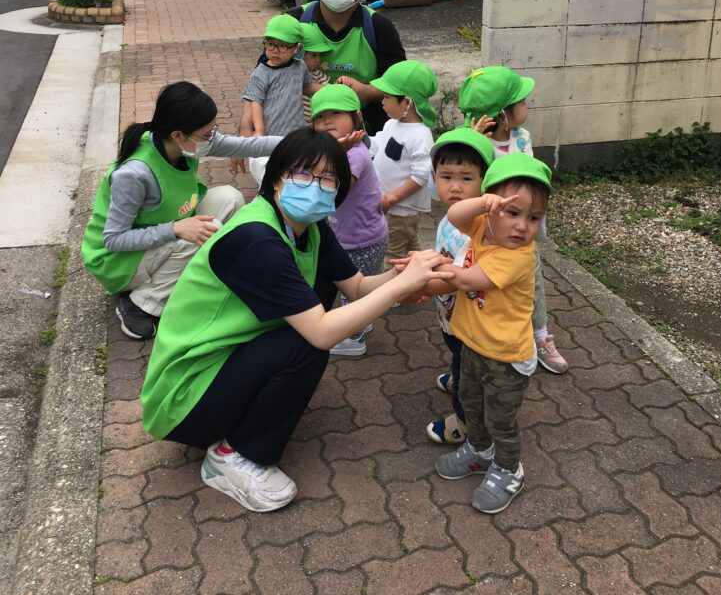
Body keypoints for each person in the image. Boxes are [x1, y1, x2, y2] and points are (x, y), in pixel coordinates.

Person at [140, 128, 449, 513]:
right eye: (303, 173)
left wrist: (404, 275)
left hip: (224, 360)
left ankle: (250, 410)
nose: (315, 186)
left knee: (321, 289)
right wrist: (401, 285)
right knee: (306, 345)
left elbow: (356, 287)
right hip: (184, 397)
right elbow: (320, 333)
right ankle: (232, 456)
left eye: (328, 179)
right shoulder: (257, 239)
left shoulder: (310, 226)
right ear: (277, 178)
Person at [81, 82, 284, 341]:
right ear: (178, 134)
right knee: (205, 233)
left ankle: (187, 273)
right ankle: (140, 303)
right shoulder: (134, 175)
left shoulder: (180, 143)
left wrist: (304, 143)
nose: (213, 138)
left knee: (230, 199)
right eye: (207, 133)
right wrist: (175, 229)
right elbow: (113, 239)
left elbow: (248, 146)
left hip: (159, 232)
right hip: (116, 262)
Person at [433, 154, 553, 515]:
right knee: (471, 403)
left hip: (507, 359)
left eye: (533, 218)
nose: (522, 227)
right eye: (512, 213)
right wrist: (483, 203)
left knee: (500, 420)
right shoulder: (483, 226)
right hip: (473, 345)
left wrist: (430, 269)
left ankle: (508, 469)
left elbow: (468, 279)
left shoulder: (518, 256)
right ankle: (479, 451)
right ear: (492, 208)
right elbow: (455, 216)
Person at [458, 66, 568, 375]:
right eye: (522, 101)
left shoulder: (522, 138)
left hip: (521, 233)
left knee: (533, 283)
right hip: (488, 234)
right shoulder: (475, 144)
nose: (527, 106)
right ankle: (475, 342)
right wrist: (473, 143)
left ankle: (540, 336)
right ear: (503, 114)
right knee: (484, 288)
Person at [423, 126, 496, 446]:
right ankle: (458, 372)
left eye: (466, 178)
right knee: (456, 351)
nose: (454, 186)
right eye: (446, 176)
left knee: (467, 367)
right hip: (450, 314)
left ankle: (465, 422)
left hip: (470, 319)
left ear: (485, 181)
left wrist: (419, 284)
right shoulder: (450, 219)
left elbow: (458, 277)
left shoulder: (479, 229)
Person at [286, 0, 406, 134]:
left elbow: (401, 85)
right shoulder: (294, 22)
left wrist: (366, 91)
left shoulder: (379, 27)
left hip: (365, 123)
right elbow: (268, 73)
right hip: (303, 123)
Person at [309, 85, 387, 358]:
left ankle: (354, 338)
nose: (327, 121)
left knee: (351, 290)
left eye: (336, 113)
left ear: (356, 117)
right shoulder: (341, 151)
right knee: (357, 287)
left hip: (361, 239)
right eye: (320, 117)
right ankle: (362, 322)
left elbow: (335, 189)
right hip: (354, 235)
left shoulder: (354, 154)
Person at [369, 60, 437, 259]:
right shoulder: (392, 124)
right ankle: (422, 273)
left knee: (392, 254)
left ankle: (393, 279)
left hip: (401, 210)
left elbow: (421, 175)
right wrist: (360, 139)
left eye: (387, 97)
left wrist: (394, 197)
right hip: (391, 204)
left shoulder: (420, 135)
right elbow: (378, 143)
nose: (382, 102)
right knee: (411, 247)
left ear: (406, 103)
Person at [239, 14, 324, 139]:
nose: (275, 50)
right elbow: (255, 103)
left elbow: (307, 86)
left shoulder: (300, 65)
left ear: (297, 48)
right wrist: (259, 130)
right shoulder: (261, 73)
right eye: (270, 44)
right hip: (270, 134)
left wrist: (332, 89)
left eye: (282, 46)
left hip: (297, 132)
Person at [299, 21, 331, 123]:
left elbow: (330, 90)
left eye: (319, 56)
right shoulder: (286, 73)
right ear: (299, 53)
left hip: (312, 123)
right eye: (314, 55)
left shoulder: (317, 74)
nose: (318, 60)